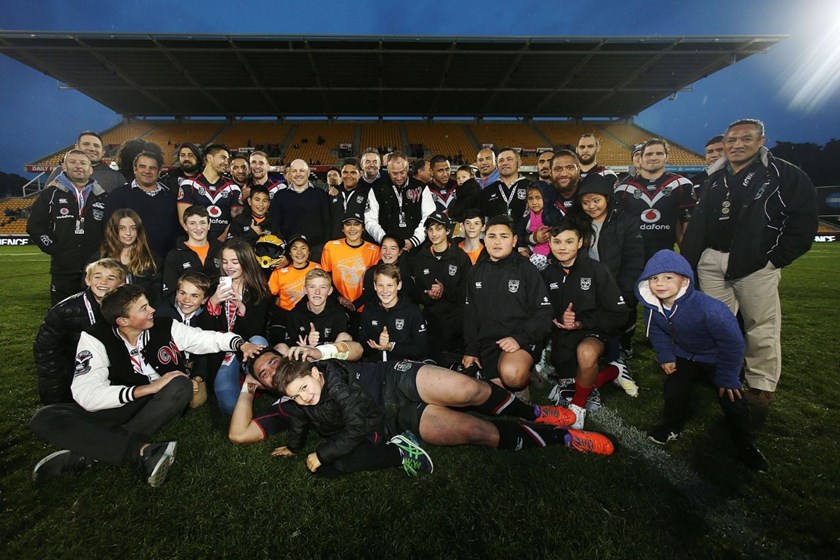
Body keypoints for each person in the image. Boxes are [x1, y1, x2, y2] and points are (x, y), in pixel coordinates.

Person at [29, 284, 264, 486]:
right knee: (45, 417)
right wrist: (145, 389)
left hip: (157, 403)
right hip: (121, 400)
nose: (152, 309)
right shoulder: (94, 338)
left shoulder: (165, 325)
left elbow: (203, 338)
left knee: (180, 383)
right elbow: (86, 393)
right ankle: (142, 451)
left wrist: (238, 344)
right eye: (143, 308)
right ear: (123, 321)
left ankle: (88, 453)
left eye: (148, 304)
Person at [264, 343, 613, 478]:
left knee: (470, 388)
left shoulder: (332, 378)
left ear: (315, 372)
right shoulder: (299, 399)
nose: (305, 399)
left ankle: (533, 412)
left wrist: (322, 453)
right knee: (479, 433)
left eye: (306, 390)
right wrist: (293, 446)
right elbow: (298, 421)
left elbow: (354, 424)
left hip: (394, 382)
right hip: (394, 420)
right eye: (295, 397)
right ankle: (564, 437)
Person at [681, 118, 818, 428]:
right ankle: (724, 374)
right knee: (717, 322)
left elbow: (804, 219)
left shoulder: (783, 173)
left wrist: (776, 259)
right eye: (732, 140)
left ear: (761, 140)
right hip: (712, 259)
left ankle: (760, 386)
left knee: (761, 325)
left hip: (755, 264)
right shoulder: (715, 176)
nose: (737, 145)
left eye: (745, 138)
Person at [636, 250, 768, 472]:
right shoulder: (652, 308)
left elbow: (733, 344)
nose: (659, 284)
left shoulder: (710, 309)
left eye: (668, 277)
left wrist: (727, 376)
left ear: (684, 279)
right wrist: (666, 356)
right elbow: (657, 333)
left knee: (731, 397)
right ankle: (671, 427)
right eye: (653, 278)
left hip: (719, 356)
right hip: (686, 355)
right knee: (674, 389)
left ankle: (746, 444)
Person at [540, 221, 629, 428]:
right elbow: (540, 309)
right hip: (563, 338)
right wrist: (556, 318)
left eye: (569, 241)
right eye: (557, 241)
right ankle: (613, 372)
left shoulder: (597, 270)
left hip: (594, 332)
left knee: (586, 354)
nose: (562, 247)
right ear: (550, 244)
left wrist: (581, 322)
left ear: (580, 243)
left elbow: (619, 314)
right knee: (571, 388)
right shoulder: (546, 274)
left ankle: (577, 411)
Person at [462, 215, 552, 398]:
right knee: (484, 394)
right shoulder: (475, 271)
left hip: (520, 341)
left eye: (504, 236)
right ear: (484, 239)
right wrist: (471, 349)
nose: (497, 242)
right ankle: (509, 374)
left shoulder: (527, 269)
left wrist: (519, 338)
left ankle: (524, 373)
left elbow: (544, 313)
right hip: (489, 343)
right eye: (492, 236)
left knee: (512, 376)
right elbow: (470, 314)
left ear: (514, 240)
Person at [569, 174, 644, 363]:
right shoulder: (578, 221)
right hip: (589, 285)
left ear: (607, 198)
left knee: (618, 318)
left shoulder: (626, 221)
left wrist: (624, 291)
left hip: (618, 283)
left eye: (596, 200)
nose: (591, 206)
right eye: (586, 202)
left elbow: (634, 260)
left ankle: (622, 348)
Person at [33, 259, 127, 405]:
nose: (103, 282)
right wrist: (56, 394)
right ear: (88, 280)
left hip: (111, 371)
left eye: (111, 278)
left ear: (121, 284)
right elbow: (46, 352)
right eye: (97, 277)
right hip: (73, 372)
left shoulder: (128, 308)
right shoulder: (65, 310)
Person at [28, 149, 109, 305]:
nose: (78, 166)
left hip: (95, 269)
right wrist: (52, 247)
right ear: (64, 167)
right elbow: (35, 225)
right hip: (63, 269)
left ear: (90, 169)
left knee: (95, 314)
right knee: (62, 315)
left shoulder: (104, 196)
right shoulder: (50, 194)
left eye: (83, 163)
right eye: (73, 162)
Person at [201, 238, 272, 415]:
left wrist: (242, 308)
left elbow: (256, 330)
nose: (228, 266)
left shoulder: (258, 290)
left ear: (246, 262)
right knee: (229, 408)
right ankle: (243, 380)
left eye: (235, 261)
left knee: (258, 340)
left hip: (249, 344)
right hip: (224, 350)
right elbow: (204, 331)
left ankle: (252, 374)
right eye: (225, 261)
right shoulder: (215, 286)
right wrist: (214, 302)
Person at [614, 138, 695, 260]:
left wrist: (688, 256)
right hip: (633, 255)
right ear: (640, 159)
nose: (653, 157)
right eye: (648, 154)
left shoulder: (681, 184)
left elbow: (686, 223)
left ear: (667, 157)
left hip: (666, 252)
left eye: (659, 153)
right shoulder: (624, 189)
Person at [412, 212, 472, 363]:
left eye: (438, 229)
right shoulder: (420, 258)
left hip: (455, 323)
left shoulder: (460, 257)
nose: (434, 233)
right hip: (430, 322)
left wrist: (445, 291)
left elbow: (468, 291)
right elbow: (415, 291)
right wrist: (427, 294)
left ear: (447, 231)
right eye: (430, 229)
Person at [103, 150, 181, 258]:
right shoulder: (118, 195)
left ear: (159, 171)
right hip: (131, 259)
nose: (147, 171)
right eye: (142, 166)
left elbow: (177, 230)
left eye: (152, 168)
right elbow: (109, 228)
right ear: (135, 169)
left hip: (166, 259)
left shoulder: (171, 197)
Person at [154, 271, 213, 408]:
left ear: (204, 299)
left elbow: (204, 352)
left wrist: (197, 378)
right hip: (169, 363)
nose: (187, 300)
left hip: (192, 362)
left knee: (196, 401)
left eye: (194, 296)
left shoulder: (205, 318)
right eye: (182, 293)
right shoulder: (162, 314)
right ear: (176, 293)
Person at [365, 151, 435, 251]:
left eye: (402, 172)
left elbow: (429, 216)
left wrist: (415, 240)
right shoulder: (376, 189)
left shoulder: (421, 187)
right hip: (386, 250)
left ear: (407, 169)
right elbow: (370, 220)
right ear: (388, 170)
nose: (398, 177)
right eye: (394, 173)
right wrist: (385, 241)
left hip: (418, 248)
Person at [359, 263, 428, 362]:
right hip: (375, 367)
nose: (385, 291)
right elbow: (362, 345)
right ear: (375, 286)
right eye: (380, 285)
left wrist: (392, 347)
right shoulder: (369, 309)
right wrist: (377, 344)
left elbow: (421, 350)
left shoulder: (412, 311)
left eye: (390, 285)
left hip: (404, 369)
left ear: (399, 285)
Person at [177, 143, 242, 242]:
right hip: (197, 243)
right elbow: (184, 219)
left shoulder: (233, 188)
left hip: (224, 244)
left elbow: (237, 220)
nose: (226, 163)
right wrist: (201, 240)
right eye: (223, 158)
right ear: (210, 158)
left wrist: (222, 238)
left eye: (227, 159)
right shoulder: (188, 185)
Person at [95, 209, 162, 304]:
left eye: (133, 228)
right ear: (114, 230)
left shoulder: (152, 259)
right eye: (122, 228)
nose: (128, 233)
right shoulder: (101, 257)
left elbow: (157, 295)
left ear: (138, 230)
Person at [321, 211, 381, 314]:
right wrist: (339, 298)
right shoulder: (330, 247)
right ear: (342, 229)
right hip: (338, 305)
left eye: (357, 224)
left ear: (363, 228)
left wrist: (356, 304)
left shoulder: (375, 250)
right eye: (348, 224)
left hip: (366, 307)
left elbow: (377, 282)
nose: (352, 228)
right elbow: (325, 277)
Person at [271, 159, 331, 260]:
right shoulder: (280, 196)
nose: (298, 174)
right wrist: (283, 246)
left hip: (316, 251)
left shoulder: (320, 194)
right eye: (294, 171)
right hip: (289, 252)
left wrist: (325, 246)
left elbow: (327, 222)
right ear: (289, 173)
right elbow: (275, 223)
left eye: (302, 171)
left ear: (308, 173)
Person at [161, 205, 222, 300]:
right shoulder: (175, 255)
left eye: (202, 223)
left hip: (219, 307)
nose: (198, 228)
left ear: (209, 225)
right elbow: (170, 292)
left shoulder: (221, 249)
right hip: (187, 309)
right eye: (192, 223)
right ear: (185, 226)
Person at [285, 268, 353, 347]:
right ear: (305, 290)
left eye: (323, 287)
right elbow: (290, 345)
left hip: (330, 357)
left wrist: (319, 347)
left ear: (330, 291)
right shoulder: (295, 314)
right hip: (304, 356)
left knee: (345, 337)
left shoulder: (338, 313)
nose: (317, 292)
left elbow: (343, 346)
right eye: (312, 287)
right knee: (282, 347)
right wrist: (307, 343)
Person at [45, 130, 126, 193]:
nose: (92, 149)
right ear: (76, 147)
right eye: (86, 144)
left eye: (96, 146)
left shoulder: (116, 177)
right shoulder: (59, 172)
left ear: (103, 152)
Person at [362, 233, 416, 309]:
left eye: (393, 248)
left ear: (400, 252)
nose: (387, 252)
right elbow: (367, 298)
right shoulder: (371, 272)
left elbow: (412, 298)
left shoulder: (406, 272)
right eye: (384, 248)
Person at [477, 148, 531, 222]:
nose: (505, 163)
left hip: (525, 233)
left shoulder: (531, 186)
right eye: (501, 160)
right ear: (497, 165)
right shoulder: (487, 191)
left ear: (519, 163)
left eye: (509, 159)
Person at [327, 158, 370, 240]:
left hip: (359, 244)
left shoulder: (367, 193)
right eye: (345, 172)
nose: (348, 176)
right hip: (336, 244)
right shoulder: (333, 193)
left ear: (360, 174)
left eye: (353, 173)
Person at [516, 184, 563, 258]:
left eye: (538, 198)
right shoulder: (527, 214)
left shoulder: (553, 213)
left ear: (546, 198)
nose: (534, 202)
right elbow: (519, 231)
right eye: (530, 198)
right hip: (531, 250)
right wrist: (521, 248)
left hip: (553, 252)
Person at [691, 135, 725, 201]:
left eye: (720, 150)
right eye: (710, 152)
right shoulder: (694, 181)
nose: (714, 155)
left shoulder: (740, 176)